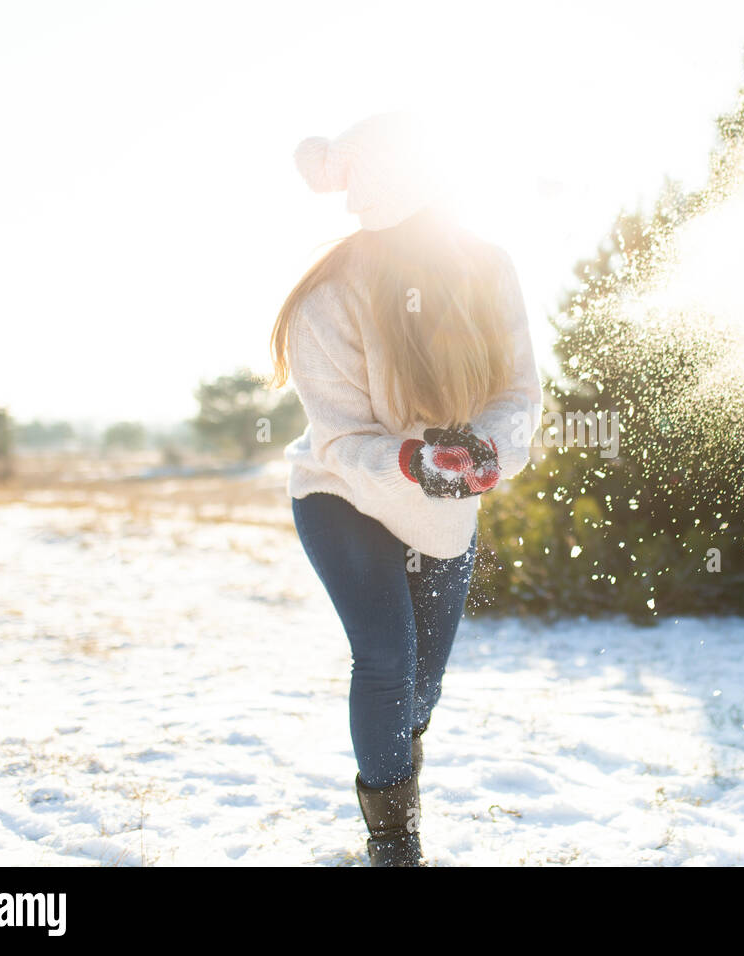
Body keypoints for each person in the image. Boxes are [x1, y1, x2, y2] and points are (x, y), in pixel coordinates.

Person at [269, 112, 542, 865]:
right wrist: (412, 459)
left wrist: (486, 448)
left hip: (443, 506)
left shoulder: (488, 268)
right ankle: (395, 844)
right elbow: (342, 439)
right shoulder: (330, 298)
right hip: (344, 492)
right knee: (385, 658)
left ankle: (398, 773)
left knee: (423, 684)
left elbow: (520, 391)